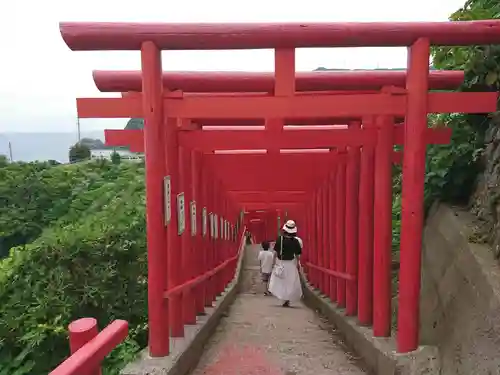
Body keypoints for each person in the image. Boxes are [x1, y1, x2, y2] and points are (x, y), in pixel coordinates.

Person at [268, 219, 303, 307]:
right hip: (291, 264)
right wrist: (298, 264)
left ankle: (283, 297)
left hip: (281, 263)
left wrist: (273, 263)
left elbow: (275, 253)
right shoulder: (295, 241)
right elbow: (298, 255)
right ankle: (287, 299)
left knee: (281, 282)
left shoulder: (280, 239)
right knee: (290, 282)